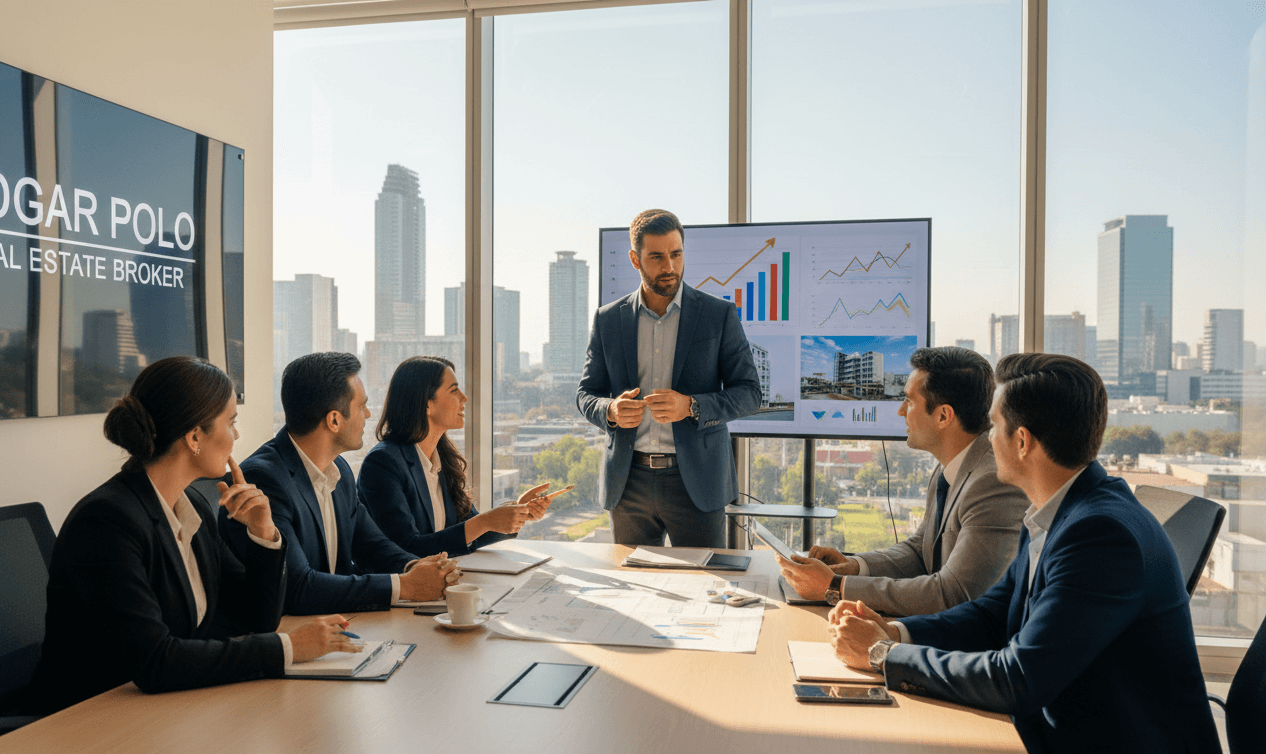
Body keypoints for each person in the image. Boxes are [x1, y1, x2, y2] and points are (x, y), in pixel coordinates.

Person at [828, 353, 1223, 754]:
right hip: (1066, 732)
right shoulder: (1057, 511)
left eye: (993, 425)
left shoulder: (1101, 535)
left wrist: (883, 654)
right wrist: (894, 631)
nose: (986, 439)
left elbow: (1018, 679)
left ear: (1022, 441)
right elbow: (993, 614)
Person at [27, 357, 355, 715]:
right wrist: (287, 648)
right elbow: (155, 660)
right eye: (231, 422)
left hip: (170, 709)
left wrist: (263, 533)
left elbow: (256, 618)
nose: (236, 436)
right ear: (195, 436)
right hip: (92, 720)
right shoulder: (107, 522)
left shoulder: (193, 507)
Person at [777, 346, 1028, 616]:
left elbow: (952, 594)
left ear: (943, 416)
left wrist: (836, 586)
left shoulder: (993, 482)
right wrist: (854, 566)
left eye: (909, 401)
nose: (900, 411)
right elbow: (921, 551)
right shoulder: (951, 466)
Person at [222, 352, 461, 616]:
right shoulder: (264, 478)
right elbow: (298, 586)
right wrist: (404, 586)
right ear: (334, 420)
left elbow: (371, 545)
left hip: (340, 622)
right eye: (361, 407)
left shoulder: (340, 470)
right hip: (294, 630)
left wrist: (415, 568)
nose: (368, 414)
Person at [576, 208, 761, 548]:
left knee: (705, 579)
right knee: (633, 579)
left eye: (676, 254)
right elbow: (587, 394)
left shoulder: (718, 315)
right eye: (657, 257)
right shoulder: (608, 320)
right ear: (635, 259)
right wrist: (610, 411)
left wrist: (691, 406)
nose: (670, 267)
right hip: (628, 483)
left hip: (698, 482)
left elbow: (750, 394)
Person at [358, 355, 551, 559]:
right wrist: (484, 522)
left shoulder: (442, 458)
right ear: (427, 405)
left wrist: (518, 512)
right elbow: (407, 549)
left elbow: (467, 534)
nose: (464, 398)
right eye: (454, 390)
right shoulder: (383, 464)